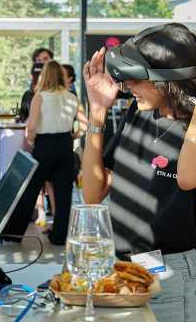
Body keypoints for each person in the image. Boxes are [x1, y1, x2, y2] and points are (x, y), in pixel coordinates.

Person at [82, 23, 196, 322]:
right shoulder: (140, 111)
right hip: (124, 266)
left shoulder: (193, 127)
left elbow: (186, 177)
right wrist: (97, 111)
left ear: (164, 81)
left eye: (134, 79)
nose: (127, 87)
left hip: (173, 273)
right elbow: (93, 194)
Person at [1, 61, 84, 245]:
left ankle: (13, 234)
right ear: (62, 76)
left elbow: (31, 126)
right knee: (64, 194)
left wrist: (31, 141)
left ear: (44, 76)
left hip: (44, 145)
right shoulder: (71, 97)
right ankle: (60, 236)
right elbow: (84, 124)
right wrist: (74, 134)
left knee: (30, 190)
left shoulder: (40, 97)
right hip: (64, 145)